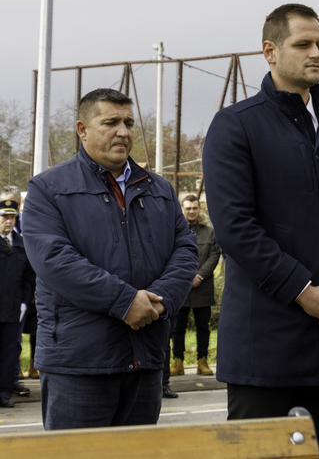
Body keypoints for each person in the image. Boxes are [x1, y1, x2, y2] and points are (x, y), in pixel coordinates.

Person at [202, 3, 319, 459]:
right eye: (303, 44)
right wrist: (303, 291)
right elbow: (235, 228)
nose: (316, 53)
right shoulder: (236, 125)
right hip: (265, 344)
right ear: (270, 51)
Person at [23, 88, 197, 429]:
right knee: (77, 454)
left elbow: (185, 249)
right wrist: (125, 302)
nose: (123, 131)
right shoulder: (49, 188)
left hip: (146, 357)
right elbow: (54, 259)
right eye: (111, 123)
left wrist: (159, 302)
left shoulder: (160, 190)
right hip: (79, 364)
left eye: (129, 123)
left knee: (137, 452)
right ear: (82, 129)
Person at [170, 194, 221, 378]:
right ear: (182, 210)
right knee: (177, 327)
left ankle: (202, 361)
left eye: (194, 208)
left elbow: (214, 255)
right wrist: (186, 277)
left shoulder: (210, 232)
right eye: (188, 208)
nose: (191, 211)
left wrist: (199, 275)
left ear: (199, 209)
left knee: (203, 326)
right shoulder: (174, 230)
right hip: (181, 287)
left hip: (203, 286)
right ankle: (177, 362)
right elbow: (170, 254)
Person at [0, 199, 35, 408]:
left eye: (12, 217)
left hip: (14, 308)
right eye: (4, 217)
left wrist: (24, 302)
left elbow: (29, 278)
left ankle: (4, 393)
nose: (9, 221)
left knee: (9, 352)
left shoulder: (21, 244)